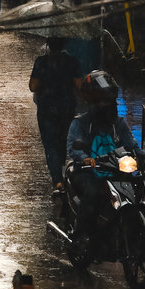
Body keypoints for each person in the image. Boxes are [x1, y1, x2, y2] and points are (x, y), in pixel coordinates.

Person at [65, 70, 145, 255]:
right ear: (91, 99)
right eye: (102, 99)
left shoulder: (118, 124)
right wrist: (84, 158)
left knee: (139, 184)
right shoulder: (80, 124)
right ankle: (82, 234)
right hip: (87, 172)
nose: (106, 104)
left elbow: (132, 146)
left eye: (109, 99)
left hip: (114, 170)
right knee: (93, 193)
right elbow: (73, 148)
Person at [30, 37, 82, 191]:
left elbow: (33, 86)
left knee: (50, 144)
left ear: (48, 44)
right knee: (63, 140)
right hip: (67, 107)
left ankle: (57, 181)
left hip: (46, 108)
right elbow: (79, 85)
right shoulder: (72, 61)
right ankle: (61, 170)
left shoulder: (41, 62)